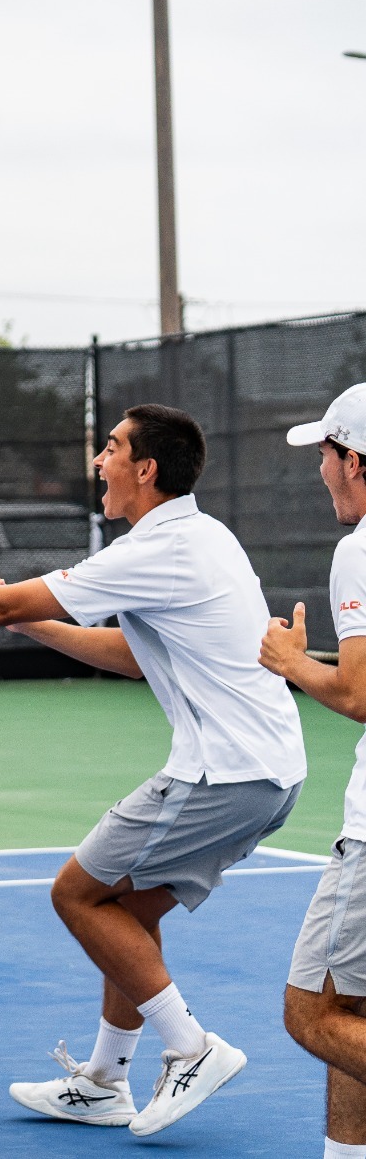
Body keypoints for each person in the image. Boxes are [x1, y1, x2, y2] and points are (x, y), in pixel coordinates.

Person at [0, 402, 306, 1138]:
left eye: (110, 447)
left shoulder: (160, 548)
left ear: (145, 469)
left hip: (224, 772)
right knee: (129, 914)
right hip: (265, 771)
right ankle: (105, 1082)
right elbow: (131, 654)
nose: (98, 461)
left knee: (78, 894)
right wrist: (32, 623)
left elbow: (0, 601)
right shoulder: (201, 538)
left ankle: (192, 1046)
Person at [267, 384, 366, 1159]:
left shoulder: (359, 547)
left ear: (356, 461)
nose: (321, 472)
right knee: (354, 1004)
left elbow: (360, 694)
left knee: (313, 1014)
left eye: (328, 456)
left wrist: (292, 663)